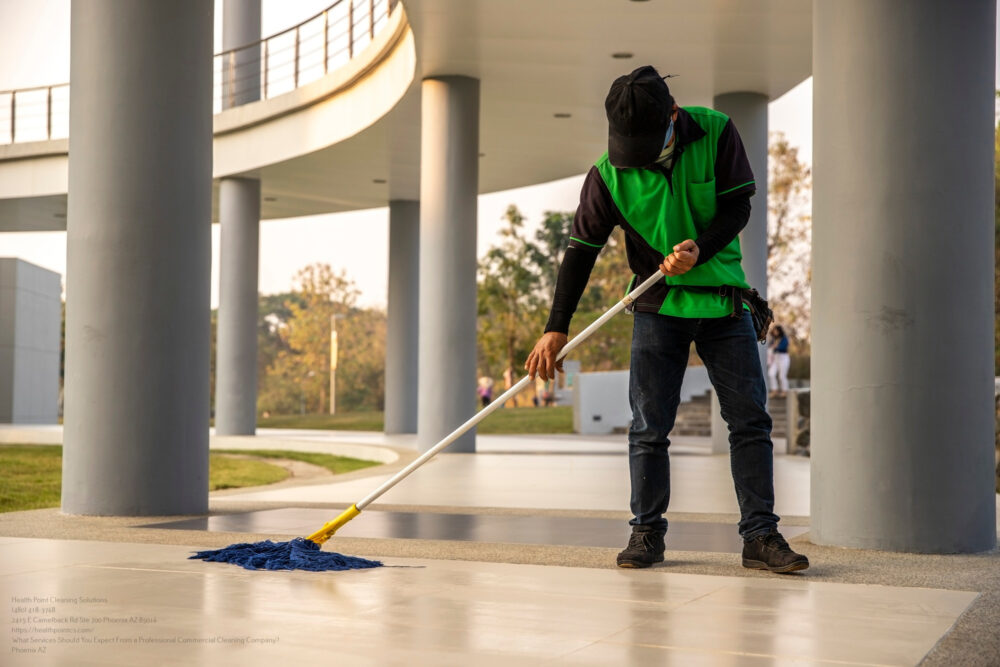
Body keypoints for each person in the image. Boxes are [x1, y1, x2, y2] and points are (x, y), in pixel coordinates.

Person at [525, 65, 808, 573]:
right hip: (657, 308)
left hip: (723, 301)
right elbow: (580, 251)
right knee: (648, 427)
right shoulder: (607, 174)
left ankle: (760, 535)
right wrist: (556, 325)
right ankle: (646, 534)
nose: (633, 158)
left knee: (749, 423)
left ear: (673, 117)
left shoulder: (717, 130)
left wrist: (700, 249)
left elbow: (738, 206)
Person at [768, 325, 790, 397]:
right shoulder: (774, 339)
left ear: (779, 331)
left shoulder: (784, 338)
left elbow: (783, 347)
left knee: (782, 376)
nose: (774, 332)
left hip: (783, 358)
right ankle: (774, 390)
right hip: (775, 358)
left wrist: (775, 347)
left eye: (776, 331)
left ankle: (785, 391)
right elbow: (770, 347)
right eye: (774, 331)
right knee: (771, 373)